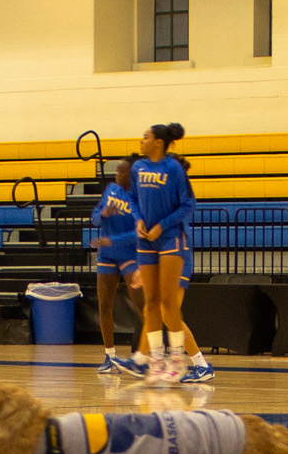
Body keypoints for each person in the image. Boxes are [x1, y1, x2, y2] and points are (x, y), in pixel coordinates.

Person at [132, 123, 215, 386]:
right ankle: (156, 362)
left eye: (146, 137)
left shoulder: (174, 169)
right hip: (146, 241)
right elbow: (133, 199)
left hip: (170, 239)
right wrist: (137, 219)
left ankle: (179, 361)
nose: (141, 140)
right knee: (151, 303)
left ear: (158, 142)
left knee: (169, 305)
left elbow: (189, 204)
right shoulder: (138, 168)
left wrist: (161, 226)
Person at [90, 155, 145, 376]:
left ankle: (147, 355)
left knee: (143, 308)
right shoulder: (111, 189)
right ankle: (110, 356)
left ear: (131, 175)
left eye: (122, 170)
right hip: (106, 255)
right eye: (117, 169)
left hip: (129, 255)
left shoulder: (139, 198)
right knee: (104, 305)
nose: (117, 173)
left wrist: (114, 240)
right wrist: (103, 213)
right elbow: (95, 217)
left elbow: (137, 233)